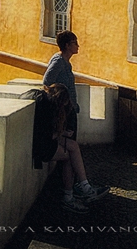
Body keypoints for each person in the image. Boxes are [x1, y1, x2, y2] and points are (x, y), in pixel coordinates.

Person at [33, 84, 108, 212]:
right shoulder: (45, 107)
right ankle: (73, 194)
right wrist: (62, 133)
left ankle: (83, 187)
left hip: (44, 141)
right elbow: (47, 135)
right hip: (41, 147)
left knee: (73, 147)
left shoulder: (45, 101)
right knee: (69, 156)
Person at [42, 31, 81, 140]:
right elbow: (47, 81)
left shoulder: (66, 62)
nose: (78, 46)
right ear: (67, 45)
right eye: (75, 43)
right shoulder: (58, 61)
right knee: (67, 141)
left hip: (69, 107)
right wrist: (59, 100)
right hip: (63, 109)